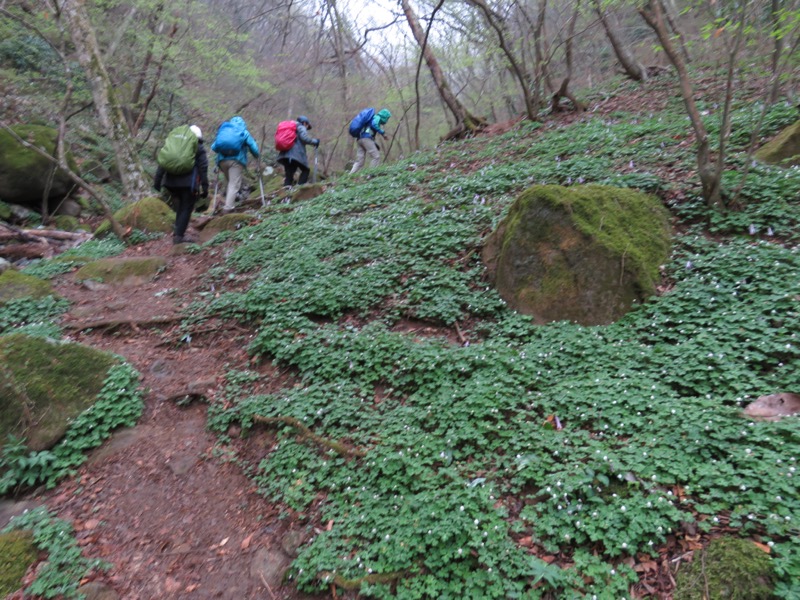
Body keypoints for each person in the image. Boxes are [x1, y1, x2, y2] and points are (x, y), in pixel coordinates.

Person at [154, 125, 208, 244]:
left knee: (180, 207)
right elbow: (203, 167)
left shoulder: (176, 145)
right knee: (186, 208)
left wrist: (157, 180)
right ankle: (178, 237)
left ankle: (177, 233)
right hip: (188, 184)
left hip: (170, 182)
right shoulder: (198, 147)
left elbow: (163, 162)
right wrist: (205, 187)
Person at [211, 116, 259, 213]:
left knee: (230, 182)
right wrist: (257, 155)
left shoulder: (225, 130)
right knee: (233, 184)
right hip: (236, 161)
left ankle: (232, 200)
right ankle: (228, 208)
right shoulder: (243, 131)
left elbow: (214, 147)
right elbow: (253, 146)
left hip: (222, 161)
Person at [277, 116, 319, 188]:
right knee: (305, 170)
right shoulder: (301, 127)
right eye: (307, 125)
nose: (306, 128)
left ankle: (286, 194)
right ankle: (299, 189)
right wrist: (314, 141)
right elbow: (304, 138)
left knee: (289, 175)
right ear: (304, 123)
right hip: (295, 155)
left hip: (285, 155)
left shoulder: (291, 128)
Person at [350, 108, 391, 174]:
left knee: (360, 162)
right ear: (384, 116)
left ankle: (350, 175)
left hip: (359, 139)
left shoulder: (370, 118)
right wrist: (383, 133)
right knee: (376, 157)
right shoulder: (377, 117)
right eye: (387, 118)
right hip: (366, 139)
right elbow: (374, 125)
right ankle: (371, 174)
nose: (387, 120)